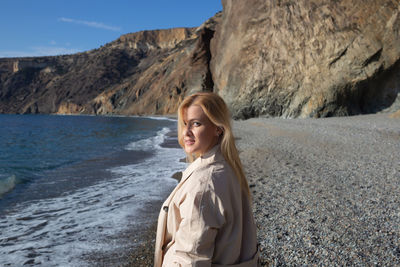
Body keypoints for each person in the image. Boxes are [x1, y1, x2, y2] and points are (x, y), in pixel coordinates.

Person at [154, 92, 259, 267]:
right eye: (185, 124)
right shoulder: (227, 166)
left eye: (196, 124)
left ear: (218, 128)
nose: (186, 132)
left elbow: (190, 259)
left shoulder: (204, 185)